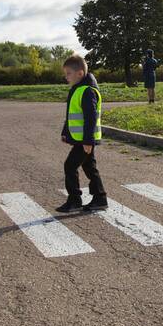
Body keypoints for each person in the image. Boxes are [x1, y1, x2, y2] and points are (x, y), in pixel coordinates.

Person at [55, 55, 108, 213]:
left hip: (85, 140)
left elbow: (90, 118)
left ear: (79, 73)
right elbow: (72, 114)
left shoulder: (87, 91)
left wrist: (88, 140)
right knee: (89, 167)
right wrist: (66, 131)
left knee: (70, 166)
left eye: (68, 74)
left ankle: (75, 200)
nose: (66, 77)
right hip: (81, 139)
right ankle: (100, 197)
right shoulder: (78, 89)